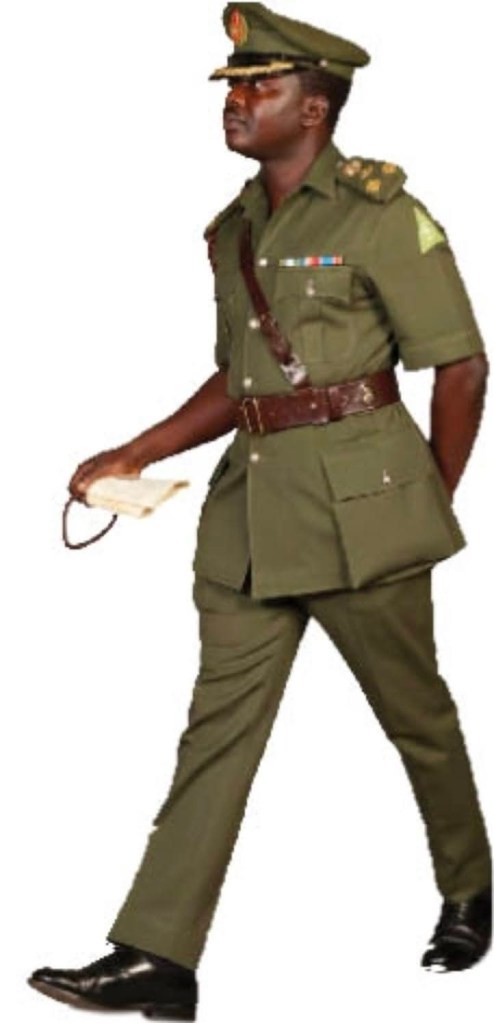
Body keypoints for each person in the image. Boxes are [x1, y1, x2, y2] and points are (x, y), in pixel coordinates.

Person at [28, 3, 491, 1020]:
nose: (236, 103)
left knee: (415, 717)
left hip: (361, 518)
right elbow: (243, 381)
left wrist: (424, 499)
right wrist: (138, 449)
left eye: (260, 87)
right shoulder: (234, 229)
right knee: (215, 734)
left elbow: (460, 365)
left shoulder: (382, 215)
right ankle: (157, 955)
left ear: (314, 109)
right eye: (233, 88)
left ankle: (470, 889)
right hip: (249, 519)